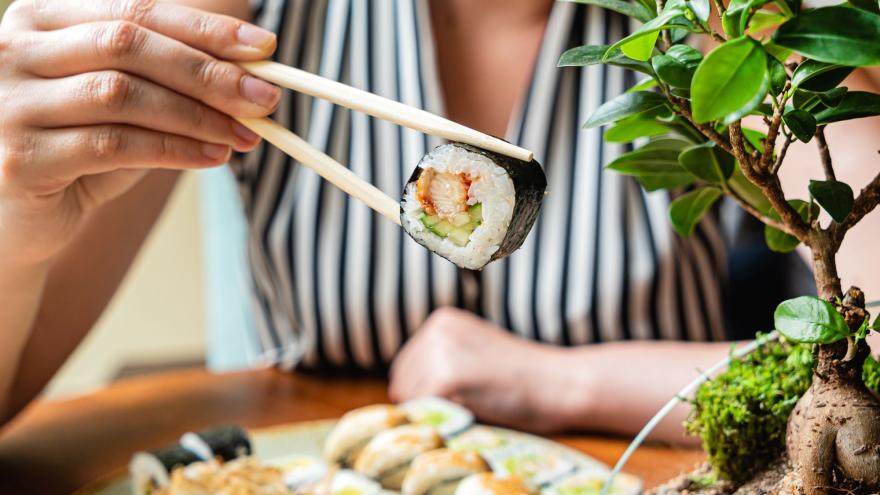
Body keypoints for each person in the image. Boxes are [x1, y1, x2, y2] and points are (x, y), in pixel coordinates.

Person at [0, 0, 877, 441]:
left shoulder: (725, 23)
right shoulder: (238, 14)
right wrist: (20, 210)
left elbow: (867, 367)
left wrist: (560, 382)